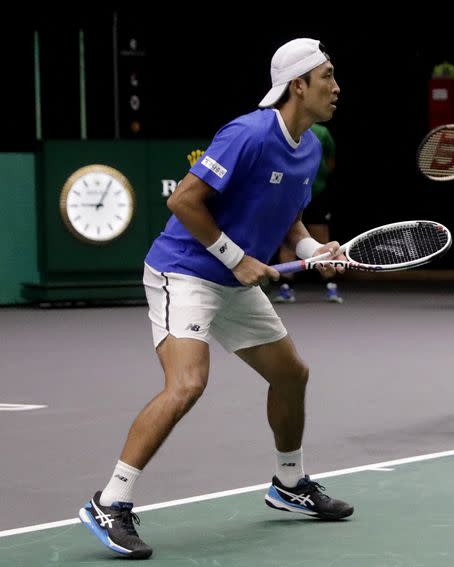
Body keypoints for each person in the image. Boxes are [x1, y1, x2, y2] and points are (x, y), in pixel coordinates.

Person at [78, 38, 353, 560]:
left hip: (233, 283)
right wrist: (238, 257)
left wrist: (315, 249)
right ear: (298, 85)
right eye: (327, 77)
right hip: (183, 273)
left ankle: (289, 485)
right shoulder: (246, 134)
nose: (336, 88)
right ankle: (110, 501)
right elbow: (183, 200)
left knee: (291, 374)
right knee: (187, 383)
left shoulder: (311, 145)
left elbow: (290, 218)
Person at [273, 122, 342, 304]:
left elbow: (330, 163)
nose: (335, 91)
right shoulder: (277, 131)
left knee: (320, 239)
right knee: (287, 237)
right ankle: (286, 286)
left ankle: (330, 284)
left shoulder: (322, 133)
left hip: (317, 194)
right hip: (292, 194)